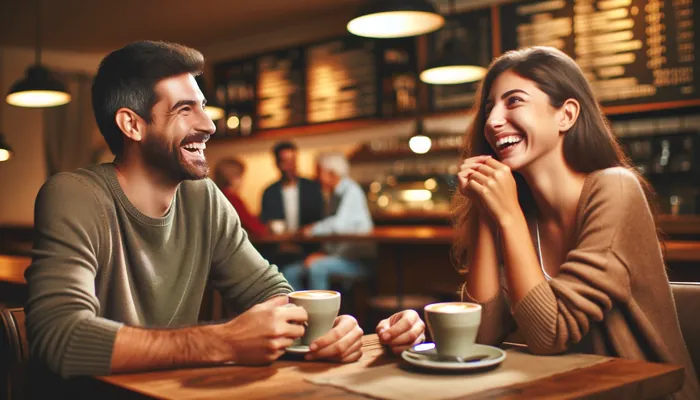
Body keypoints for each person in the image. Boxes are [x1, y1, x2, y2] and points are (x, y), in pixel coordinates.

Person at [24, 41, 424, 383]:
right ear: (132, 124)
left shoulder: (204, 198)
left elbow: (271, 295)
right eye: (185, 110)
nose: (209, 125)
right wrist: (221, 341)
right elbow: (61, 337)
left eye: (204, 106)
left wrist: (333, 330)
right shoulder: (74, 194)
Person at [453, 46, 699, 399]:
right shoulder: (522, 213)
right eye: (490, 106)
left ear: (566, 115)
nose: (492, 121)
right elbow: (479, 336)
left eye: (514, 101)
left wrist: (507, 215)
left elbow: (548, 334)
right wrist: (485, 210)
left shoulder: (615, 189)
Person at [283, 152, 376, 291]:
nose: (316, 177)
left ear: (332, 173)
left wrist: (312, 229)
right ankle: (301, 311)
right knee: (289, 273)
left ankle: (320, 312)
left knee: (316, 267)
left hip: (357, 261)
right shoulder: (333, 195)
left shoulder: (351, 191)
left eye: (319, 171)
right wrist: (323, 253)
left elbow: (339, 226)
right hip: (338, 257)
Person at [260, 141, 325, 233]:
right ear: (277, 164)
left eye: (293, 161)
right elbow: (266, 222)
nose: (290, 166)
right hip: (280, 244)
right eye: (285, 162)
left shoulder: (312, 188)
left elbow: (321, 218)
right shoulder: (269, 192)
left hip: (309, 244)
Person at [214, 157, 268, 237]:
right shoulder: (232, 199)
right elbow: (255, 228)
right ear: (233, 178)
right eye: (241, 177)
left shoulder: (215, 197)